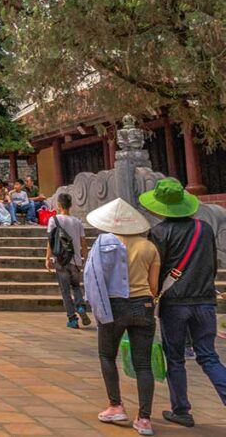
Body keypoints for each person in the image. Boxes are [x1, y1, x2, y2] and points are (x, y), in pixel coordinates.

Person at [142, 179, 226, 428]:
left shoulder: (158, 233)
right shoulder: (204, 229)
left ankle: (181, 409)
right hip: (204, 300)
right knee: (209, 355)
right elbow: (212, 264)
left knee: (176, 357)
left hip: (174, 302)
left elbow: (155, 271)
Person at [83, 198, 159, 436]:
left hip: (114, 305)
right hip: (143, 305)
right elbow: (154, 287)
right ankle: (145, 419)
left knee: (107, 355)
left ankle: (115, 405)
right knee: (144, 364)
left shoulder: (105, 244)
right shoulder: (149, 247)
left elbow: (93, 277)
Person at [45, 193, 89, 328]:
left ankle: (72, 319)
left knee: (65, 290)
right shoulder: (77, 221)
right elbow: (83, 243)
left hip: (61, 259)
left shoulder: (54, 220)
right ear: (71, 205)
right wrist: (85, 258)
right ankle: (80, 305)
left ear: (59, 205)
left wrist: (47, 258)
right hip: (75, 260)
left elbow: (50, 241)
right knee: (76, 286)